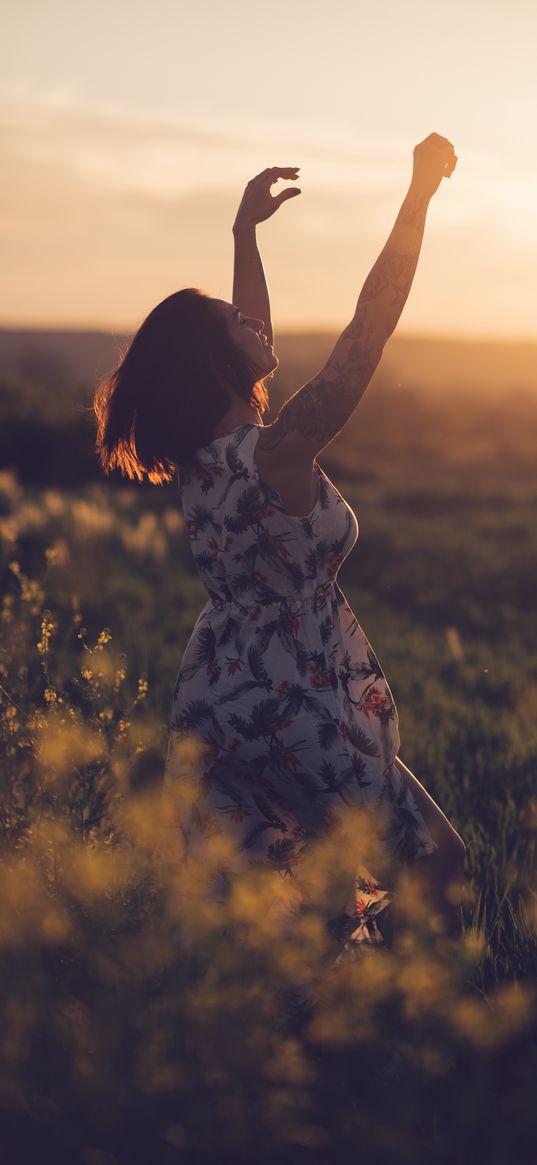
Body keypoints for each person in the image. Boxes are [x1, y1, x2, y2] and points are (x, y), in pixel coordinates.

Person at [94, 133, 466, 973]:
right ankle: (425, 1034)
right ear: (216, 360)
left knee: (312, 904)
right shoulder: (275, 455)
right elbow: (363, 337)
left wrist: (244, 237)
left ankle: (326, 1029)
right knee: (436, 865)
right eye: (238, 324)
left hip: (228, 699)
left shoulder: (209, 459)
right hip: (304, 706)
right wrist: (416, 199)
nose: (256, 322)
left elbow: (243, 373)